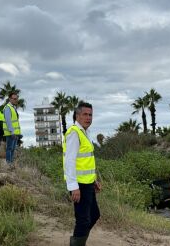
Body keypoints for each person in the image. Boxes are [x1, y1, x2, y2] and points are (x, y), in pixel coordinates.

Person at [63, 102, 101, 246]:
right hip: (79, 185)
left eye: (90, 115)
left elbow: (86, 161)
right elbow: (69, 162)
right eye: (85, 114)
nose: (88, 117)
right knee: (83, 220)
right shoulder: (74, 132)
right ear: (77, 115)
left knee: (94, 215)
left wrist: (94, 180)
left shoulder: (85, 132)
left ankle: (77, 241)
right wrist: (73, 187)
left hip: (88, 183)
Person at [3, 92, 21, 166]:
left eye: (16, 99)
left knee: (12, 149)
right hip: (11, 133)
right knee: (9, 149)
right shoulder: (7, 108)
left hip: (15, 132)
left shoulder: (13, 107)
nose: (15, 100)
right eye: (14, 99)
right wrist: (12, 131)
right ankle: (9, 164)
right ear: (10, 99)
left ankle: (11, 164)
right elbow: (8, 121)